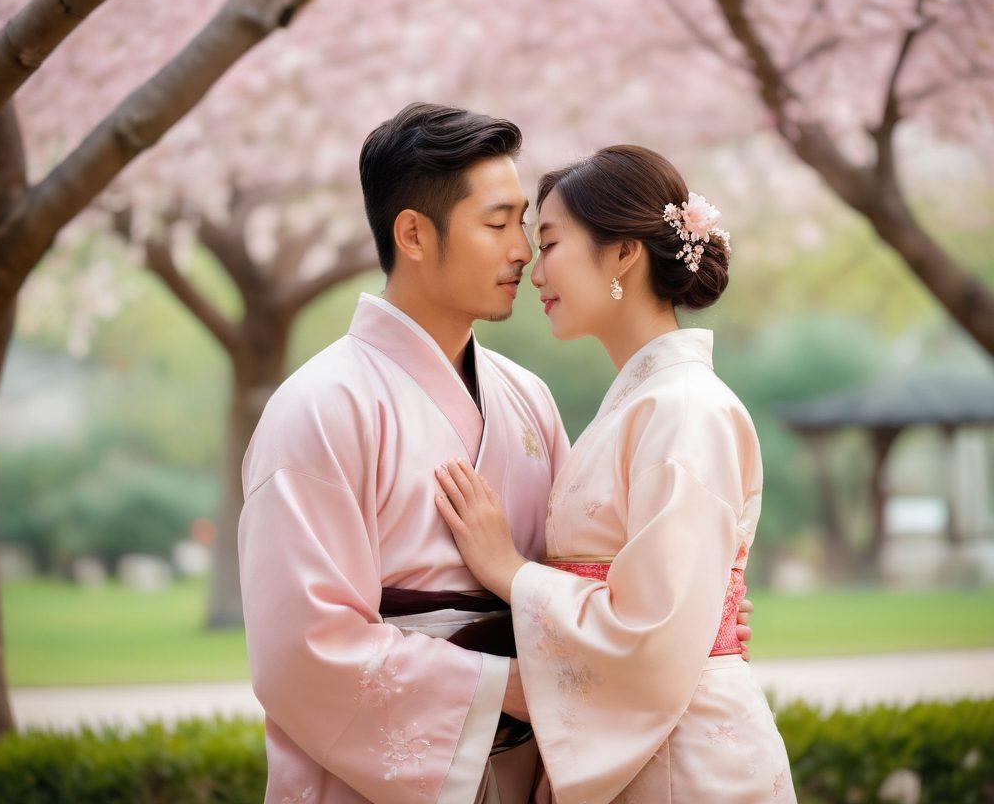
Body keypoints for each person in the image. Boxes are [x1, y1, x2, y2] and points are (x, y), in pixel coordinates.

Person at [239, 107, 753, 804]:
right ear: (415, 234)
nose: (523, 251)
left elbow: (602, 575)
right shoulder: (320, 407)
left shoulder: (528, 398)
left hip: (527, 763)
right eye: (498, 223)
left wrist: (694, 623)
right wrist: (516, 685)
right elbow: (302, 651)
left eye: (527, 228)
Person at [435, 145, 794, 803]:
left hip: (687, 760)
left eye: (549, 243)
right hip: (662, 734)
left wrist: (508, 571)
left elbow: (651, 633)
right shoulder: (647, 403)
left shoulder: (684, 407)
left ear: (623, 253)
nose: (531, 269)